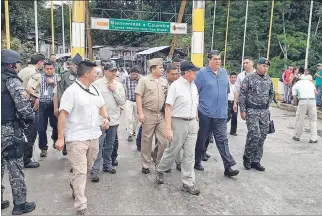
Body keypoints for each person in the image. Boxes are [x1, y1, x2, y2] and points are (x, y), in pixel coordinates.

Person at [55, 61, 109, 215]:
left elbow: (101, 106)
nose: (97, 74)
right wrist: (60, 138)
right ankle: (81, 205)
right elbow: (62, 115)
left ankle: (75, 185)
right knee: (80, 171)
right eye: (95, 72)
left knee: (88, 168)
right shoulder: (71, 91)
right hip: (77, 137)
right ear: (87, 73)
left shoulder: (95, 89)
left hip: (94, 135)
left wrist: (105, 117)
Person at [155, 61, 200, 195]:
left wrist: (196, 120)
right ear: (187, 73)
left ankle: (188, 182)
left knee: (190, 154)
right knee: (173, 150)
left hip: (192, 122)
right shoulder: (176, 86)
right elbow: (168, 107)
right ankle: (160, 169)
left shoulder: (194, 86)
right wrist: (168, 128)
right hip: (178, 122)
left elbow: (195, 104)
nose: (196, 74)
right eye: (194, 72)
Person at [1, 49, 36, 215]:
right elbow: (23, 107)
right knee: (15, 167)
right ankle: (20, 205)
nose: (17, 67)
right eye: (16, 64)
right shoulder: (12, 81)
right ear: (10, 64)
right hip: (8, 130)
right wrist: (30, 117)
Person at [194, 50, 239, 177]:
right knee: (201, 139)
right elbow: (195, 92)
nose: (218, 61)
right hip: (205, 113)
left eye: (219, 59)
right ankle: (196, 161)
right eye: (215, 59)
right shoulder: (202, 73)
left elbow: (226, 91)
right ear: (209, 60)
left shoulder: (224, 73)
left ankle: (228, 166)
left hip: (220, 114)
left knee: (222, 140)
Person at [90, 61, 126, 182]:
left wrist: (114, 90)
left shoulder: (119, 85)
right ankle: (95, 170)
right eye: (111, 71)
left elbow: (122, 102)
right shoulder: (96, 84)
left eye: (115, 70)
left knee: (110, 145)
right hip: (99, 120)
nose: (114, 73)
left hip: (113, 119)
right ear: (105, 71)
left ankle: (107, 164)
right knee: (98, 145)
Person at [238, 57, 274, 171]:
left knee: (262, 136)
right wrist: (242, 110)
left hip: (264, 111)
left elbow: (271, 94)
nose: (265, 68)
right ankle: (247, 157)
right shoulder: (249, 78)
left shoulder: (269, 79)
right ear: (258, 65)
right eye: (264, 66)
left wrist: (267, 106)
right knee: (254, 134)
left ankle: (256, 160)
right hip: (252, 111)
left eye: (267, 66)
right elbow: (242, 94)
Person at [135, 58, 168, 174]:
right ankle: (145, 164)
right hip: (148, 113)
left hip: (160, 114)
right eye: (160, 68)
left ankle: (157, 159)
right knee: (146, 140)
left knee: (165, 140)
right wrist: (140, 113)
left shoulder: (164, 81)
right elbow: (138, 96)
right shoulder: (144, 80)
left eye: (162, 67)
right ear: (153, 69)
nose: (162, 70)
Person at [19, 53, 46, 169]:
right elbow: (29, 88)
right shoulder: (36, 74)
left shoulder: (23, 70)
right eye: (43, 62)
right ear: (39, 62)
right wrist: (37, 97)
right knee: (31, 132)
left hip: (19, 104)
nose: (43, 65)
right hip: (29, 105)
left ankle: (20, 157)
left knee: (21, 132)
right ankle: (27, 159)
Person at [54, 53, 83, 156]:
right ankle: (66, 144)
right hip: (67, 108)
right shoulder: (64, 76)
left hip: (79, 108)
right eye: (75, 65)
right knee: (66, 128)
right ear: (71, 65)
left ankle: (74, 149)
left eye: (79, 66)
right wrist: (58, 107)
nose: (77, 68)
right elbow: (59, 92)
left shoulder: (83, 76)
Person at [38, 60, 58, 157]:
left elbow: (62, 89)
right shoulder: (39, 77)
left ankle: (55, 138)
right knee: (41, 128)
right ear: (44, 69)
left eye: (51, 69)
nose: (49, 71)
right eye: (47, 69)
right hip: (42, 104)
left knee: (56, 126)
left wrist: (53, 83)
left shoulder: (58, 77)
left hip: (54, 104)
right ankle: (43, 148)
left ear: (53, 69)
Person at [292, 77, 318, 143]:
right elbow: (316, 93)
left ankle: (297, 136)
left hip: (302, 101)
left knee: (300, 119)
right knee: (313, 120)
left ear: (295, 81)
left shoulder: (295, 85)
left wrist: (295, 104)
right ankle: (313, 138)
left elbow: (294, 98)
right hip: (312, 100)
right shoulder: (310, 83)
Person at [123, 66, 141, 142]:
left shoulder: (141, 80)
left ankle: (133, 130)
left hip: (138, 101)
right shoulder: (125, 80)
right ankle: (129, 134)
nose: (134, 76)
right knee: (129, 118)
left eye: (136, 75)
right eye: (133, 74)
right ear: (130, 74)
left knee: (137, 118)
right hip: (129, 101)